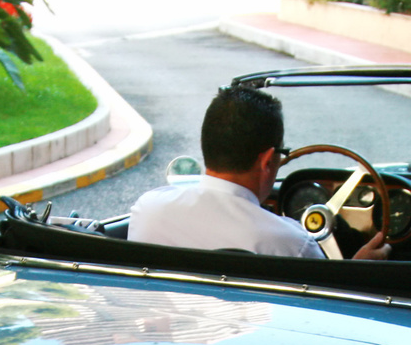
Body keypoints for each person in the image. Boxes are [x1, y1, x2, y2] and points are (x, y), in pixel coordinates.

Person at [129, 86, 389, 260]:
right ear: (267, 161)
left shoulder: (147, 210)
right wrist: (357, 268)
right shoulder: (292, 244)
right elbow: (327, 309)